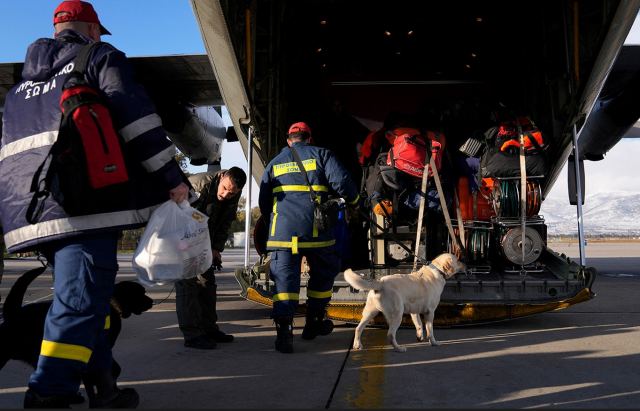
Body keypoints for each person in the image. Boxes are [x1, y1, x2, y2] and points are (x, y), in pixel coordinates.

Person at [0, 1, 189, 408]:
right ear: (89, 29)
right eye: (97, 32)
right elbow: (137, 122)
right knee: (79, 304)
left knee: (91, 302)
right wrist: (173, 180)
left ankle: (104, 385)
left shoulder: (21, 88)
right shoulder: (99, 57)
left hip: (27, 210)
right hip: (81, 208)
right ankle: (48, 393)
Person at [259, 122, 360, 353]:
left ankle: (284, 333)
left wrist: (276, 220)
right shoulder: (322, 154)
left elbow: (264, 201)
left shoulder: (274, 163)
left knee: (284, 283)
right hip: (316, 231)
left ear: (288, 140)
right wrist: (355, 202)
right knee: (323, 275)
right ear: (309, 138)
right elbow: (342, 182)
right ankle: (313, 322)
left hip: (282, 235)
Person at [175, 167, 247, 349]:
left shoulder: (233, 191)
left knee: (207, 283)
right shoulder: (198, 185)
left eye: (232, 193)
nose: (225, 194)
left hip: (203, 241)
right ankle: (192, 335)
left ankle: (208, 329)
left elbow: (225, 221)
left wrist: (216, 248)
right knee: (187, 285)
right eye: (224, 188)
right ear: (222, 176)